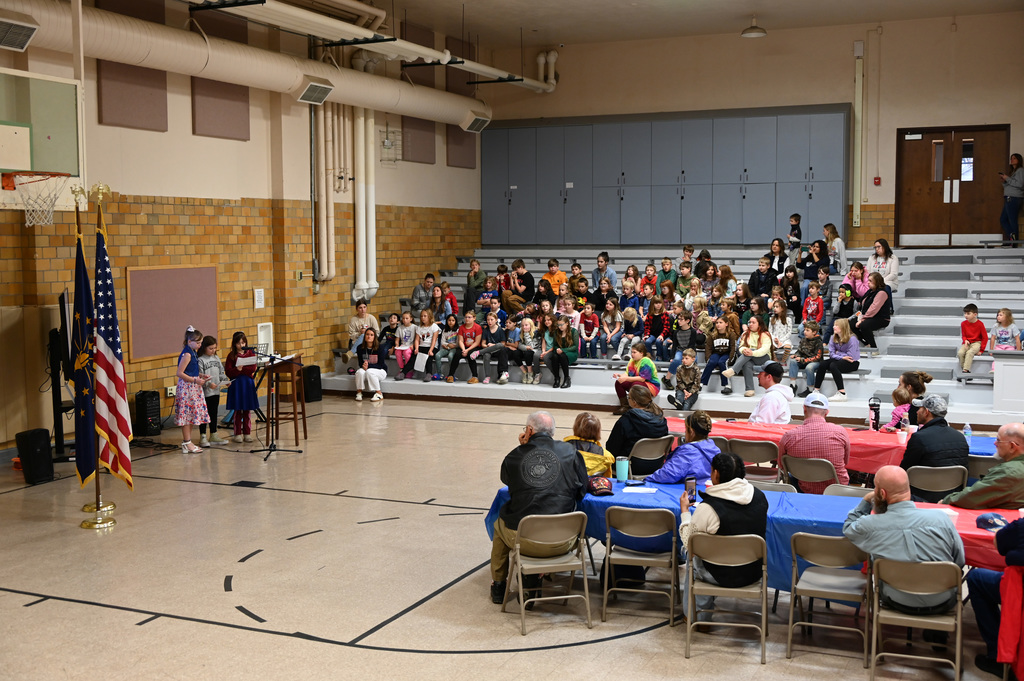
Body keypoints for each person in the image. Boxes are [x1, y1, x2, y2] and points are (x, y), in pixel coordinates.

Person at [489, 411, 588, 604]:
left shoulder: (515, 456)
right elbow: (582, 490)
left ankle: (499, 585)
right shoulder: (570, 452)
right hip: (564, 540)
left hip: (524, 538)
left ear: (529, 430)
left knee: (499, 524)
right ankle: (539, 575)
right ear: (552, 432)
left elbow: (510, 483)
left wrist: (523, 449)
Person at [843, 466, 965, 618]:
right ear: (908, 488)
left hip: (895, 599)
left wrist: (866, 501)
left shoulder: (870, 524)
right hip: (942, 600)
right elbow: (959, 561)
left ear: (881, 493)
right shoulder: (941, 519)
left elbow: (848, 528)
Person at [679, 452, 769, 619]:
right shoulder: (760, 497)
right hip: (753, 573)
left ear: (716, 474)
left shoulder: (708, 508)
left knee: (693, 555)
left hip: (719, 574)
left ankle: (697, 618)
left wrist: (685, 512)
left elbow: (688, 542)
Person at [965, 517, 1024, 678]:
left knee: (976, 578)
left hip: (1019, 591)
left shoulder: (1020, 527)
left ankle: (996, 654)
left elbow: (999, 544)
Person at [898, 394, 968, 502]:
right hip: (952, 497)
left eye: (919, 409)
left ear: (926, 412)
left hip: (919, 497)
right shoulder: (960, 437)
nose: (916, 412)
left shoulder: (919, 438)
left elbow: (904, 471)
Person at [779, 392, 850, 493]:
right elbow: (845, 462)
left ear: (804, 409)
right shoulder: (840, 432)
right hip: (837, 490)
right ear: (827, 412)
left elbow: (782, 465)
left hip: (803, 489)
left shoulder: (788, 436)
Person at [943, 422, 1024, 509]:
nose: (995, 443)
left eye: (998, 440)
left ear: (1012, 446)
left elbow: (969, 499)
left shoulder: (1008, 473)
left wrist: (945, 501)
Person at [607, 383, 669, 475]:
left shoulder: (626, 420)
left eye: (629, 398)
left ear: (634, 402)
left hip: (630, 467)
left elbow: (611, 448)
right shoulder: (661, 420)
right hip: (657, 465)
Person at [647, 411, 719, 483]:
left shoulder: (688, 452)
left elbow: (667, 474)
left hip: (688, 490)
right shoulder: (714, 448)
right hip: (707, 488)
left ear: (691, 432)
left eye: (686, 429)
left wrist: (647, 479)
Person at [174, 326, 211, 454]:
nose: (200, 345)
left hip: (193, 386)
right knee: (187, 416)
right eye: (198, 342)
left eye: (201, 342)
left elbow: (191, 371)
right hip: (187, 388)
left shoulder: (193, 352)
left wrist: (201, 375)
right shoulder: (187, 354)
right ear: (190, 341)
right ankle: (186, 442)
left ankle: (188, 442)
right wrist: (195, 380)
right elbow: (180, 373)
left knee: (191, 415)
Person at [722, 315, 771, 398]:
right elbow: (741, 346)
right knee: (747, 364)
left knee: (750, 352)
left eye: (753, 322)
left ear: (759, 324)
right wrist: (744, 350)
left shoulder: (765, 334)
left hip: (763, 358)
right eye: (749, 322)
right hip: (749, 357)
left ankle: (733, 369)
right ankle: (750, 389)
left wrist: (752, 352)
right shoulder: (745, 333)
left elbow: (765, 350)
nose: (750, 324)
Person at [812, 317, 859, 402]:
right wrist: (841, 356)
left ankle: (842, 393)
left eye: (836, 325)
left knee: (833, 365)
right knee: (823, 364)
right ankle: (816, 390)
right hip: (840, 360)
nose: (834, 327)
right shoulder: (833, 337)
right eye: (834, 325)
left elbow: (851, 356)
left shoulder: (852, 339)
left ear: (843, 327)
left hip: (852, 363)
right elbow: (831, 354)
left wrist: (838, 354)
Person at [225, 331, 260, 443]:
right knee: (237, 410)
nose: (241, 345)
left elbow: (252, 368)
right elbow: (229, 372)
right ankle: (237, 434)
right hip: (237, 384)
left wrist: (242, 369)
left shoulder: (250, 353)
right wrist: (237, 370)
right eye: (239, 343)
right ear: (234, 344)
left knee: (247, 410)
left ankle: (247, 433)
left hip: (247, 384)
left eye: (243, 342)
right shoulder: (231, 355)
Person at [196, 335, 229, 447]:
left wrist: (225, 381)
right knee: (204, 414)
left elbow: (221, 372)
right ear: (204, 347)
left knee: (213, 412)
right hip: (205, 392)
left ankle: (214, 434)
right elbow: (200, 377)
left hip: (216, 391)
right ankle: (203, 436)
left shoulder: (216, 358)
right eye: (211, 348)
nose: (213, 350)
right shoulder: (200, 360)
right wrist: (209, 384)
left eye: (215, 348)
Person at [612, 340, 660, 414]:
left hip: (651, 386)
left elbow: (642, 379)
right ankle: (625, 406)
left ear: (641, 353)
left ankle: (637, 408)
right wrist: (620, 376)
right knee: (619, 382)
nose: (632, 354)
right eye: (632, 352)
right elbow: (627, 373)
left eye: (634, 352)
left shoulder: (646, 361)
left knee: (636, 385)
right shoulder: (632, 360)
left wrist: (626, 378)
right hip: (637, 383)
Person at [564, 411, 615, 477]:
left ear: (576, 428)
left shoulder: (562, 449)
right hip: (593, 486)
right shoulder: (607, 456)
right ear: (598, 431)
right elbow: (607, 480)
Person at [853, 272, 892, 352]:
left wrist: (862, 319)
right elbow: (862, 303)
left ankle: (874, 349)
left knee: (864, 325)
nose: (868, 283)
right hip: (867, 316)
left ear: (877, 282)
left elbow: (873, 309)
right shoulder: (870, 291)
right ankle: (867, 343)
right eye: (868, 280)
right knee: (850, 324)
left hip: (881, 318)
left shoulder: (882, 293)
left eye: (870, 281)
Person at [701, 316, 738, 395]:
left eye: (721, 323)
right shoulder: (712, 335)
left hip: (726, 354)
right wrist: (708, 359)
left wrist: (731, 360)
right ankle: (701, 383)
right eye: (717, 323)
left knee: (722, 362)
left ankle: (727, 385)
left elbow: (733, 348)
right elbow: (708, 348)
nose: (718, 324)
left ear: (726, 324)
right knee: (711, 362)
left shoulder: (731, 334)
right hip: (716, 353)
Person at [446, 311, 483, 384]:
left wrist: (467, 350)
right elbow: (460, 341)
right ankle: (450, 375)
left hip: (474, 347)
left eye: (469, 317)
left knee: (470, 355)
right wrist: (463, 350)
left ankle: (475, 376)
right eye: (466, 317)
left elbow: (477, 342)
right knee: (456, 354)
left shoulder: (478, 327)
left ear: (474, 318)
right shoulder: (462, 327)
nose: (467, 319)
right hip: (464, 346)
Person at [790, 320, 824, 397]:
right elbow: (799, 351)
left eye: (807, 330)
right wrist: (796, 355)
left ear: (814, 332)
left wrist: (803, 360)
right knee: (793, 361)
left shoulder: (818, 342)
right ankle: (793, 385)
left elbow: (817, 357)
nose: (805, 332)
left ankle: (810, 389)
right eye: (805, 330)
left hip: (816, 362)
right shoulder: (803, 340)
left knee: (809, 367)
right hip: (804, 360)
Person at [341, 298, 379, 363]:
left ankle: (350, 353)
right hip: (356, 342)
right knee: (362, 336)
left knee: (364, 335)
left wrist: (368, 334)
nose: (363, 310)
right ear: (357, 309)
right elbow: (351, 335)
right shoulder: (353, 319)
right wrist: (359, 333)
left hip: (370, 341)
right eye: (360, 308)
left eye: (364, 307)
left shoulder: (371, 318)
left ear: (366, 308)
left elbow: (377, 333)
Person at [546, 315, 579, 389]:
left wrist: (563, 350)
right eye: (558, 325)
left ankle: (567, 378)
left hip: (571, 352)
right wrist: (558, 349)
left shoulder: (573, 331)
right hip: (560, 351)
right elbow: (555, 345)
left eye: (562, 325)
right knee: (554, 356)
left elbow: (575, 346)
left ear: (567, 323)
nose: (560, 327)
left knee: (562, 355)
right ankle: (557, 378)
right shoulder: (556, 332)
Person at [999, 153, 1024, 245]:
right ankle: (1012, 237)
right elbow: (1010, 185)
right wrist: (1004, 182)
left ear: (1019, 160)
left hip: (1014, 198)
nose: (1012, 160)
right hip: (1009, 197)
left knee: (1012, 220)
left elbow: (1020, 184)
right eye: (1011, 158)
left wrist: (1007, 178)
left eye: (1014, 158)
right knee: (1003, 219)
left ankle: (1014, 241)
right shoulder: (1013, 172)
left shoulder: (1020, 170)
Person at [478, 311, 509, 385]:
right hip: (488, 350)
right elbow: (483, 344)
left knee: (500, 347)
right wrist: (489, 346)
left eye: (491, 319)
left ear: (496, 320)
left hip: (498, 350)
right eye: (488, 320)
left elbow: (503, 344)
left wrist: (493, 345)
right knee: (486, 355)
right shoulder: (486, 330)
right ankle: (487, 376)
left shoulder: (500, 330)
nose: (489, 321)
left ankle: (479, 352)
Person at [958, 303, 989, 374]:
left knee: (969, 352)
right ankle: (965, 370)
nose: (966, 315)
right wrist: (965, 340)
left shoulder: (980, 324)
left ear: (975, 314)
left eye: (968, 313)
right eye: (965, 313)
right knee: (960, 353)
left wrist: (981, 350)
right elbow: (964, 335)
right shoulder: (963, 323)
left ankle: (965, 371)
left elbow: (985, 337)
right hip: (967, 342)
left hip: (977, 342)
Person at [412, 310, 440, 383]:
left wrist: (431, 350)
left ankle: (429, 373)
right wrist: (416, 348)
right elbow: (417, 340)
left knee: (428, 357)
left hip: (432, 347)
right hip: (422, 346)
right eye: (421, 316)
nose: (423, 318)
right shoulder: (419, 327)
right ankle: (404, 372)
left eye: (425, 316)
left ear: (429, 317)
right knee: (414, 356)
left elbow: (434, 340)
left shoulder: (434, 326)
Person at [643, 295, 671, 361]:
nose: (658, 305)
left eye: (660, 303)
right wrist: (646, 335)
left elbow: (667, 327)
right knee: (647, 342)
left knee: (658, 341)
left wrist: (662, 335)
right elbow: (647, 327)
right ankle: (649, 356)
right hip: (653, 334)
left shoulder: (665, 314)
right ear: (653, 304)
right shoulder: (649, 314)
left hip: (662, 335)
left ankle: (659, 356)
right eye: (656, 303)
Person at [511, 316, 537, 384]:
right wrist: (525, 347)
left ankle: (530, 372)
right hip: (524, 350)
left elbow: (531, 346)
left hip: (534, 351)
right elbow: (519, 345)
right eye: (522, 325)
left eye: (526, 325)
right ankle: (524, 372)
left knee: (528, 353)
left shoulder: (536, 332)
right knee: (515, 352)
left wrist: (526, 334)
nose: (524, 327)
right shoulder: (521, 332)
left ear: (531, 325)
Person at [433, 314, 460, 381]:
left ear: (455, 321)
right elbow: (442, 342)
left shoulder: (458, 330)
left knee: (450, 356)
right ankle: (439, 373)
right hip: (446, 348)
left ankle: (451, 374)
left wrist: (452, 345)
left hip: (454, 348)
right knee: (437, 355)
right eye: (449, 320)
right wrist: (448, 345)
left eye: (453, 320)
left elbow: (458, 343)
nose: (451, 322)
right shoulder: (444, 330)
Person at [393, 311, 417, 380]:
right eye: (403, 318)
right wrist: (397, 345)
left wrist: (413, 345)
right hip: (403, 345)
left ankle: (409, 369)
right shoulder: (400, 328)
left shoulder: (414, 327)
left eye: (407, 318)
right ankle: (402, 368)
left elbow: (417, 338)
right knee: (397, 352)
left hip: (410, 345)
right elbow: (397, 339)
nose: (404, 320)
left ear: (411, 319)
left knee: (406, 353)